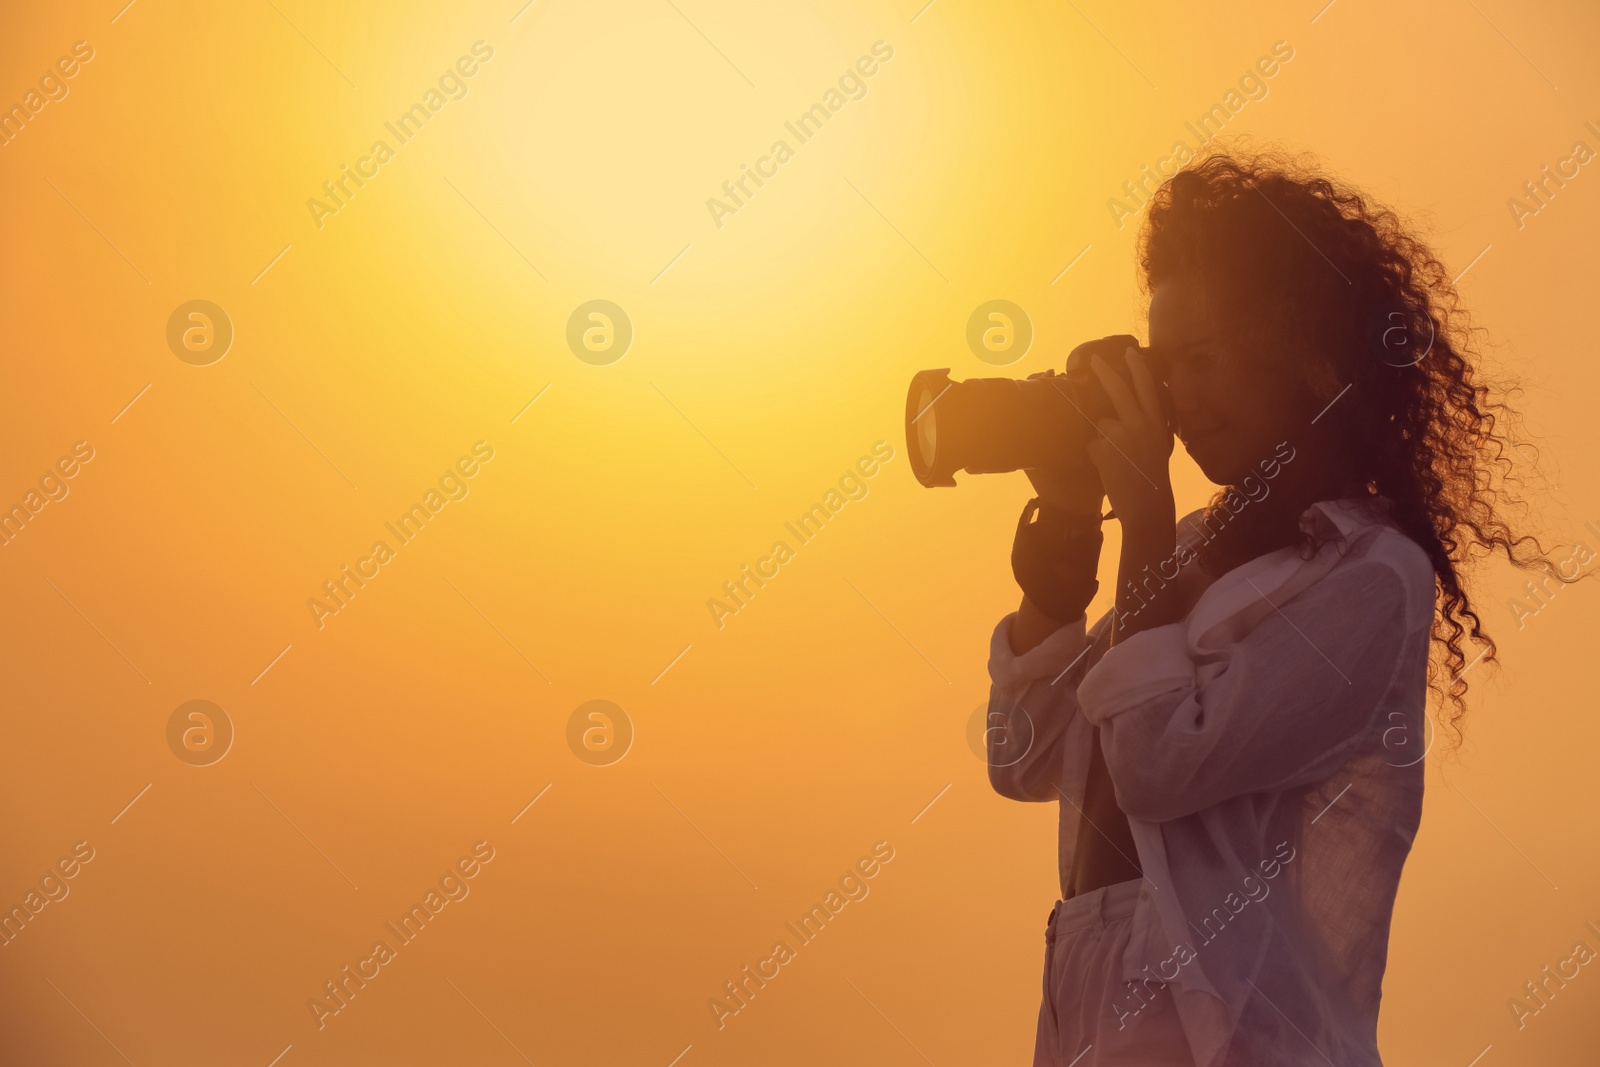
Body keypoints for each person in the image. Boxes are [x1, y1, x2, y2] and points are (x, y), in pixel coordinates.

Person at [985, 148, 1569, 1066]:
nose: (1180, 400)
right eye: (1164, 370)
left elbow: (1156, 765)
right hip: (1089, 1025)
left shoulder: (1372, 577)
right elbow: (1021, 755)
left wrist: (1138, 514)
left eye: (1203, 361)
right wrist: (1066, 521)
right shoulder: (1185, 549)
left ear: (1303, 354)